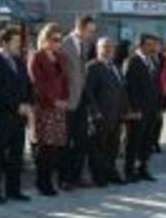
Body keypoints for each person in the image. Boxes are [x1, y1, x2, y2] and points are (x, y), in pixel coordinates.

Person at [0, 27, 33, 203]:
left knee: (16, 155)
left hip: (19, 117)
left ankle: (14, 190)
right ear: (4, 42)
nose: (19, 46)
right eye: (15, 42)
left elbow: (28, 84)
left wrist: (27, 103)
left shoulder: (19, 61)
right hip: (1, 116)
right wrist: (16, 106)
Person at [28, 23, 69, 197]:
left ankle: (50, 180)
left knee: (55, 147)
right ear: (44, 39)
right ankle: (42, 182)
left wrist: (65, 99)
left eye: (60, 39)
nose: (58, 43)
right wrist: (53, 101)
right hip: (44, 107)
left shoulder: (61, 57)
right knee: (45, 147)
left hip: (59, 107)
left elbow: (65, 80)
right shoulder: (36, 57)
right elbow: (37, 83)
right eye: (54, 39)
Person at [84, 37, 130, 187]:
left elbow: (122, 90)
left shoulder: (115, 67)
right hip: (101, 115)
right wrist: (95, 112)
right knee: (98, 148)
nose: (109, 50)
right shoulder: (92, 67)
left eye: (111, 47)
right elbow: (89, 92)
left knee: (113, 147)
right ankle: (98, 176)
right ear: (98, 49)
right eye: (105, 47)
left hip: (116, 115)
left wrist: (125, 111)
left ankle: (111, 173)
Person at [60, 15, 97, 189]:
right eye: (89, 31)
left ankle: (77, 176)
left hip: (82, 98)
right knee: (67, 141)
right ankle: (65, 178)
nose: (91, 35)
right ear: (79, 28)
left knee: (82, 139)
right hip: (68, 99)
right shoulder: (64, 44)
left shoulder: (87, 44)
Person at [123, 33, 161, 183]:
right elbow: (129, 88)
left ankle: (143, 169)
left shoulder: (152, 61)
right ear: (141, 45)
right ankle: (129, 170)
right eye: (149, 44)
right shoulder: (132, 61)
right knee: (134, 141)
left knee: (147, 141)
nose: (153, 48)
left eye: (154, 44)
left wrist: (158, 107)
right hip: (138, 110)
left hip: (151, 109)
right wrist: (133, 109)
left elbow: (155, 86)